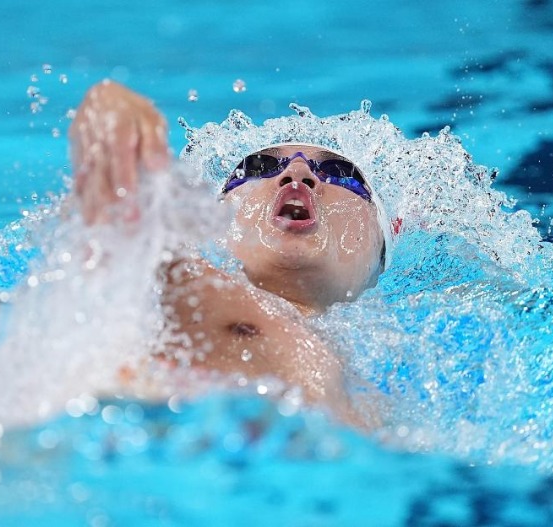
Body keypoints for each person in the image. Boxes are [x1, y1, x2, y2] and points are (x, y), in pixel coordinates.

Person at [68, 80, 388, 427]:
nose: (298, 173)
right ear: (214, 221)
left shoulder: (384, 391)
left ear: (384, 244)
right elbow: (118, 237)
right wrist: (113, 119)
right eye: (257, 168)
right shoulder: (189, 294)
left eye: (341, 173)